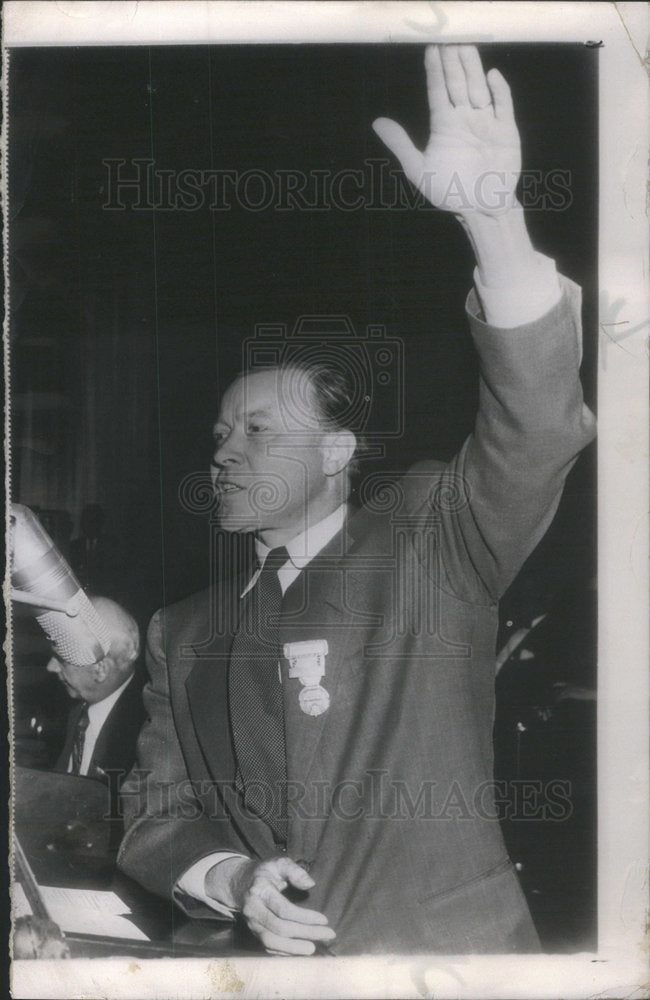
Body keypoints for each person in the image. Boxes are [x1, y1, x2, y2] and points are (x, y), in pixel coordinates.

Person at [118, 45, 596, 955]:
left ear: (338, 449)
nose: (224, 453)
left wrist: (494, 226)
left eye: (258, 430)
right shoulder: (181, 631)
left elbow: (536, 427)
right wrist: (235, 880)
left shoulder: (432, 538)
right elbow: (152, 818)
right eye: (219, 436)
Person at [49, 596, 144, 795]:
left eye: (62, 660)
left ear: (100, 669)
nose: (50, 667)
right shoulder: (78, 709)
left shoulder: (147, 734)